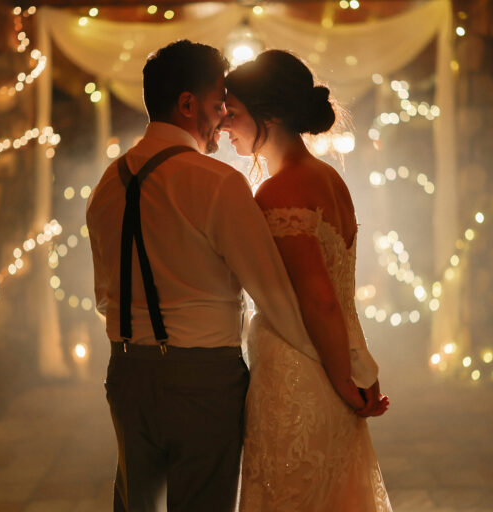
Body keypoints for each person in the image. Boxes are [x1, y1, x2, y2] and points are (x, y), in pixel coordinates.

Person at [86, 40, 327, 512]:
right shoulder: (217, 183)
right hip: (203, 380)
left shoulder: (106, 186)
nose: (223, 117)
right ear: (187, 104)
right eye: (219, 103)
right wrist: (322, 367)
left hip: (127, 374)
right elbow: (273, 293)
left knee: (140, 505)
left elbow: (103, 297)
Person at [221, 49, 393, 511]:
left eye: (233, 113)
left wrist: (343, 385)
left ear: (269, 115)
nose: (223, 126)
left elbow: (320, 301)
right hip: (334, 363)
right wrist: (357, 371)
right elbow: (341, 296)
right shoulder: (329, 178)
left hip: (300, 376)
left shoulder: (280, 190)